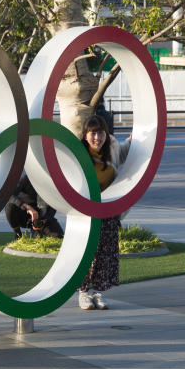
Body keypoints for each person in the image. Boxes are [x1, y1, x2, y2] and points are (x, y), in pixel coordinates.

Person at [77, 114, 131, 310]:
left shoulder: (113, 147)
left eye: (100, 133)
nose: (97, 138)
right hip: (86, 210)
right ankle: (83, 293)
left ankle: (98, 293)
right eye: (92, 133)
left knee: (105, 254)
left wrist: (134, 141)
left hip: (108, 208)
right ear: (85, 135)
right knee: (86, 252)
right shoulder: (78, 153)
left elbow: (124, 157)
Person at [5, 174, 64, 239]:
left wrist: (44, 220)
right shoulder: (26, 178)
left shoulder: (52, 182)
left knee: (59, 236)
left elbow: (53, 206)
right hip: (25, 215)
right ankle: (18, 234)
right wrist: (28, 207)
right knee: (10, 207)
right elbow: (10, 195)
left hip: (43, 217)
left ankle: (37, 232)